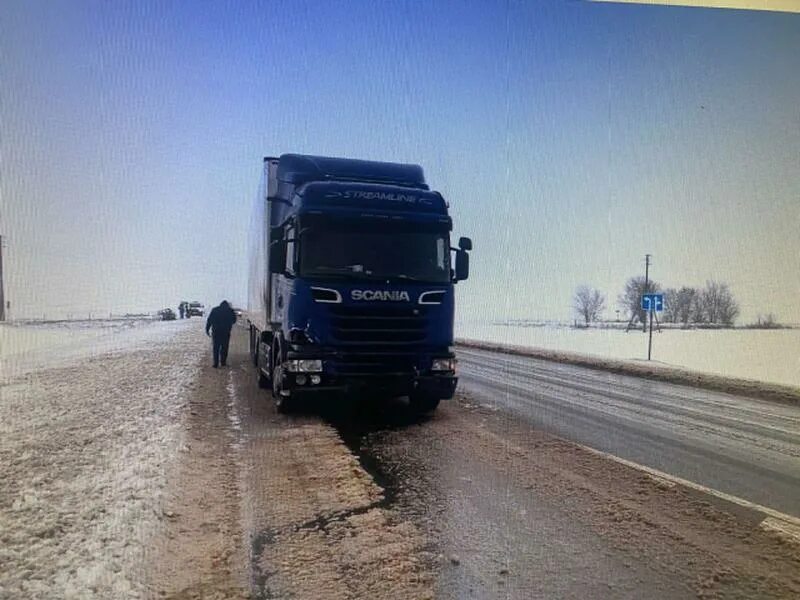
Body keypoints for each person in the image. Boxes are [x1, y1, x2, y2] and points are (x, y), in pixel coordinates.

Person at [205, 300, 237, 368]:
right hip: (226, 332)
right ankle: (223, 362)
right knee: (224, 347)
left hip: (216, 332)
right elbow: (234, 320)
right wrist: (229, 323)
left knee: (216, 348)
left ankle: (215, 363)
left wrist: (207, 329)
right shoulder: (230, 311)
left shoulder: (215, 310)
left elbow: (209, 320)